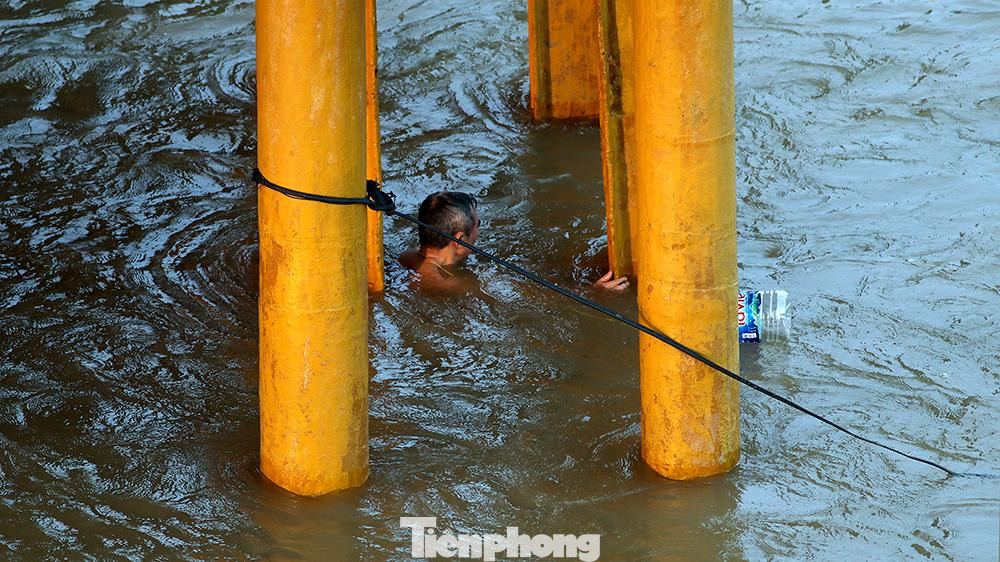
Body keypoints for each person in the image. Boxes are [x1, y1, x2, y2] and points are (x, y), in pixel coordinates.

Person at [399, 191, 629, 292]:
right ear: (459, 240)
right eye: (478, 224)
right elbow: (529, 296)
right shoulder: (443, 282)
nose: (480, 228)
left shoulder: (407, 256)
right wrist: (591, 292)